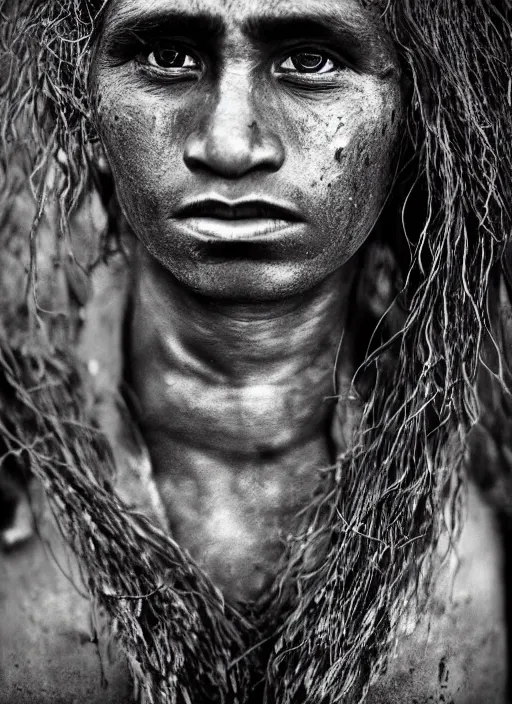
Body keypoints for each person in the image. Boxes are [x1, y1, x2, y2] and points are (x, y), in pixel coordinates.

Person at [0, 0, 511, 702]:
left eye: (309, 61)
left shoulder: (492, 466)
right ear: (82, 105)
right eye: (169, 56)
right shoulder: (16, 452)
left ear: (416, 120)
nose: (230, 146)